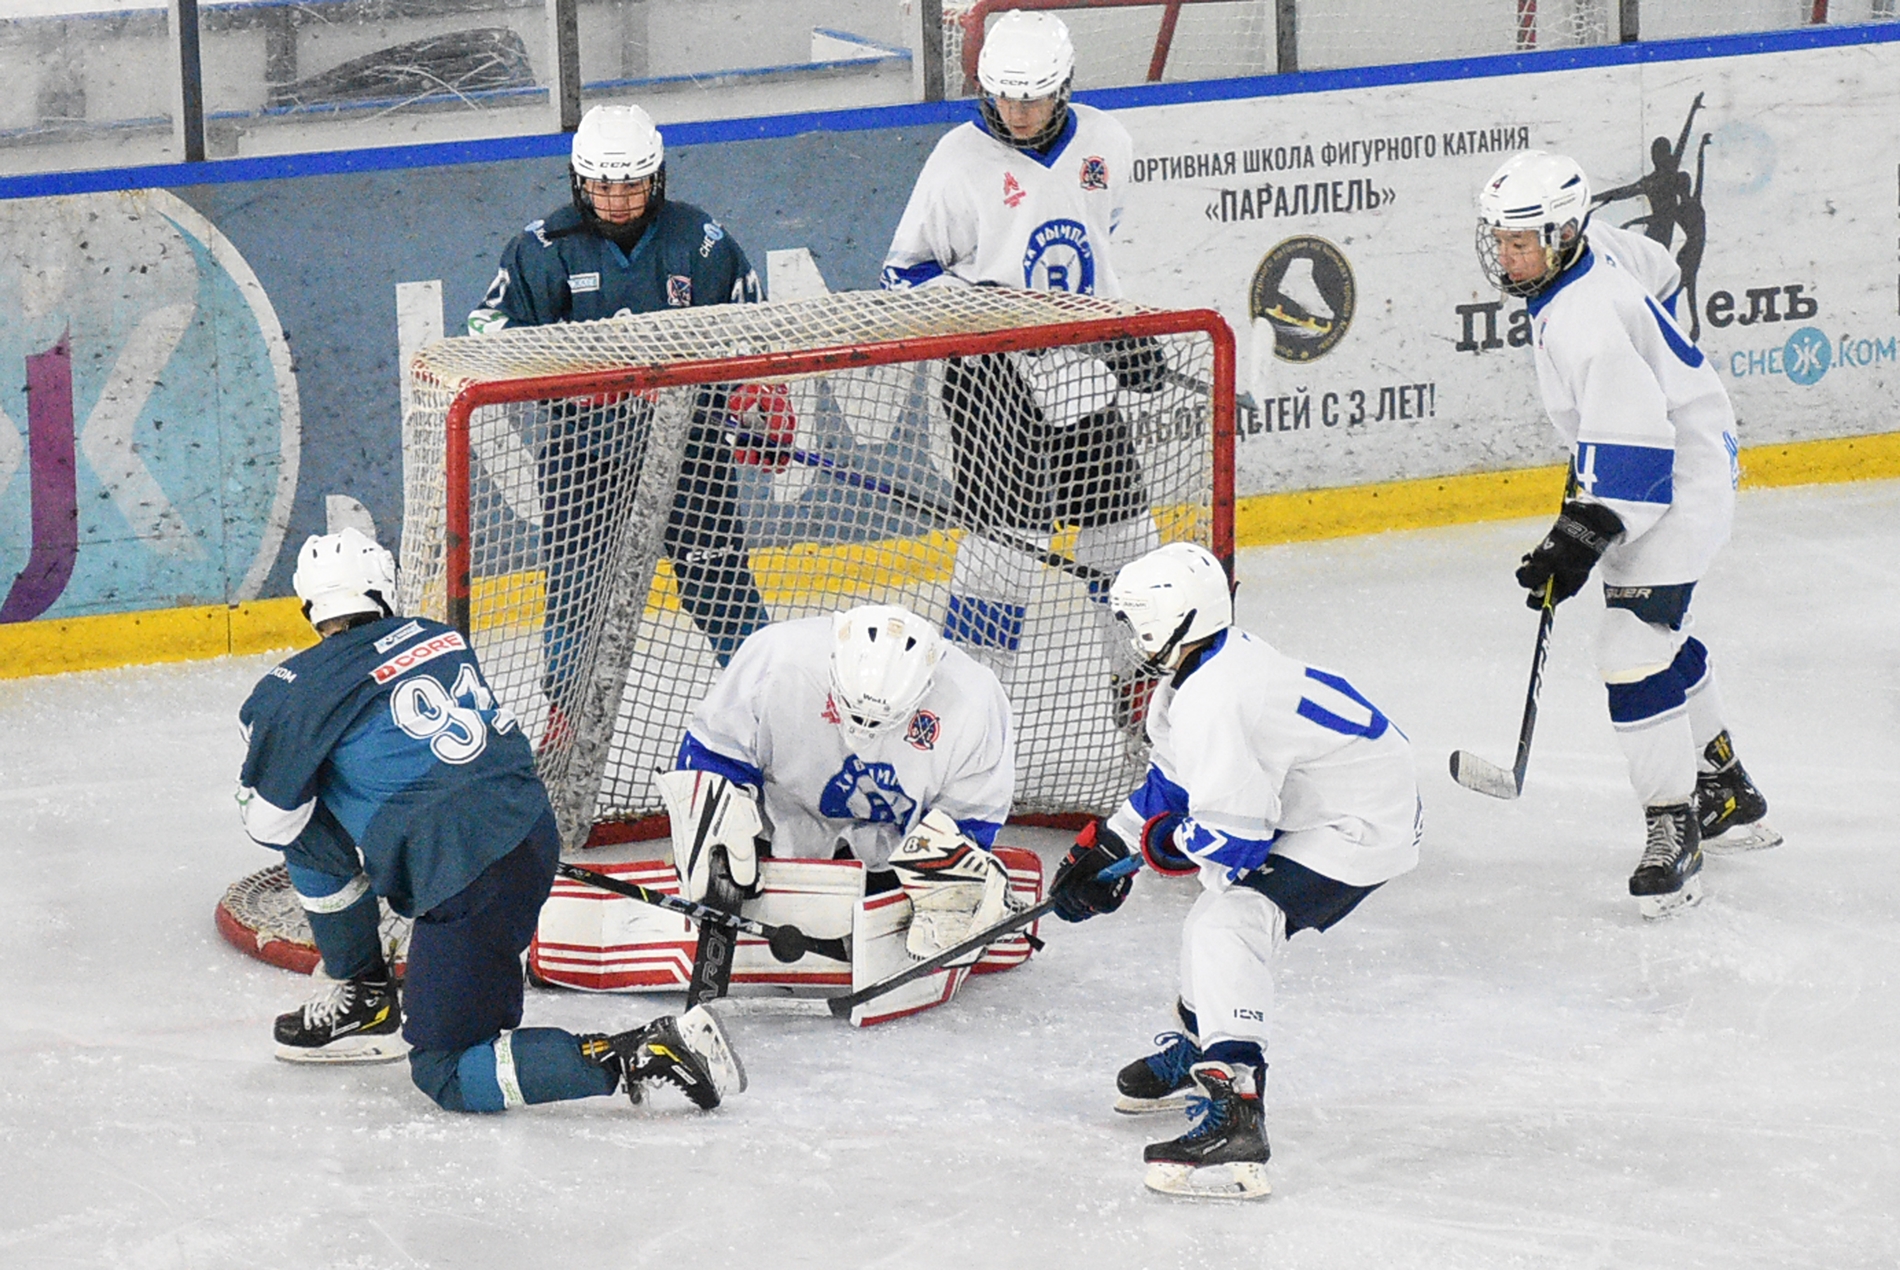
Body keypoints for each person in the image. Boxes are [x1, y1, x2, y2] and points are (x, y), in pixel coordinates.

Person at [235, 528, 745, 1113]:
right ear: (382, 586)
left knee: (445, 1070)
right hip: (530, 831)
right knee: (466, 988)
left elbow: (272, 822)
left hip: (464, 875)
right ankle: (368, 994)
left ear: (308, 604)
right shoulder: (438, 637)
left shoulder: (291, 690)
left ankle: (641, 1052)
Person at [1045, 542, 1422, 1200]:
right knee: (1209, 923)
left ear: (1169, 618)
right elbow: (1172, 784)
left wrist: (1150, 852)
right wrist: (1109, 846)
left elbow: (1233, 842)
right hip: (1326, 802)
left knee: (1230, 922)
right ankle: (1201, 1051)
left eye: (1135, 619)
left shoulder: (1218, 697)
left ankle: (1237, 1114)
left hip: (1357, 824)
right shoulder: (1196, 674)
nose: (1129, 634)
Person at [1475, 149, 1779, 919]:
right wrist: (1664, 364)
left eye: (1521, 242)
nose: (1506, 257)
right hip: (1675, 446)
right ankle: (1727, 790)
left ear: (1565, 231)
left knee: (1631, 652)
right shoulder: (1597, 249)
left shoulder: (1587, 322)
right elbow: (1665, 276)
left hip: (1679, 477)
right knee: (1659, 635)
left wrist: (1579, 535)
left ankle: (1674, 828)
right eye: (1500, 240)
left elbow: (1639, 453)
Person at [880, 11, 1167, 737]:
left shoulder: (1109, 142)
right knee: (1000, 560)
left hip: (1081, 379)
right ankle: (966, 719)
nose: (1019, 113)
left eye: (1035, 98)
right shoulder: (956, 160)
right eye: (1006, 98)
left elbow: (1099, 249)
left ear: (1064, 87)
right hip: (989, 382)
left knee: (1127, 547)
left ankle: (1146, 708)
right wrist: (988, 316)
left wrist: (1117, 334)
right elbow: (902, 274)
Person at [468, 102, 776, 742]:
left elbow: (754, 330)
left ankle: (771, 702)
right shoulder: (541, 249)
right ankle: (566, 716)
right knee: (579, 590)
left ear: (657, 178)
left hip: (691, 453)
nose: (617, 198)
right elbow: (485, 338)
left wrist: (756, 396)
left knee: (721, 582)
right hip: (584, 457)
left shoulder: (702, 240)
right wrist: (574, 377)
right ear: (580, 180)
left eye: (632, 182)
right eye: (604, 184)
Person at [663, 603, 1019, 960]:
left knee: (953, 882)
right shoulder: (777, 657)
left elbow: (971, 817)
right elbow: (712, 758)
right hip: (773, 840)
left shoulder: (973, 698)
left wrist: (953, 879)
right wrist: (716, 837)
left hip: (894, 860)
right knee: (712, 833)